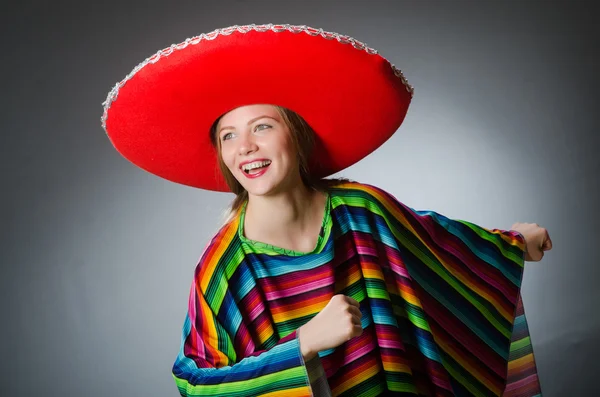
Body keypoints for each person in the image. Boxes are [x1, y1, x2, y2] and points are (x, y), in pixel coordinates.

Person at [101, 24, 552, 397]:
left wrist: (513, 247)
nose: (247, 147)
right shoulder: (224, 269)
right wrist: (304, 345)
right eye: (229, 136)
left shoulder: (362, 210)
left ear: (294, 137)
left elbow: (443, 246)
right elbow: (196, 383)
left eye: (262, 126)